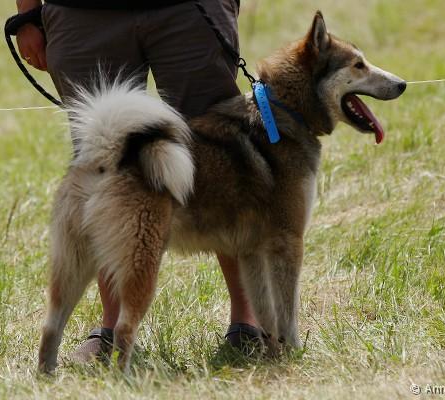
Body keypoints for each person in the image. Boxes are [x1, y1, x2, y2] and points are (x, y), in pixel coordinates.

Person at [15, 0, 262, 361]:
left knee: (221, 155)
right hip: (80, 12)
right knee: (105, 158)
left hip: (189, 8)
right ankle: (113, 329)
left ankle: (249, 321)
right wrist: (27, 16)